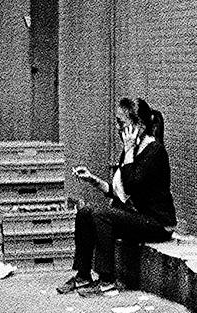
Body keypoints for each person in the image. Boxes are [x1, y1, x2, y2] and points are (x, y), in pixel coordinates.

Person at [57, 98, 176, 294]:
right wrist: (93, 180)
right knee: (85, 212)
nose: (119, 129)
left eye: (122, 123)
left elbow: (132, 185)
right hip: (138, 217)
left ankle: (107, 279)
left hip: (158, 223)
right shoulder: (131, 150)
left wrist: (128, 152)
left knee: (102, 215)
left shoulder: (155, 151)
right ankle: (83, 275)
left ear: (139, 125)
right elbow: (120, 193)